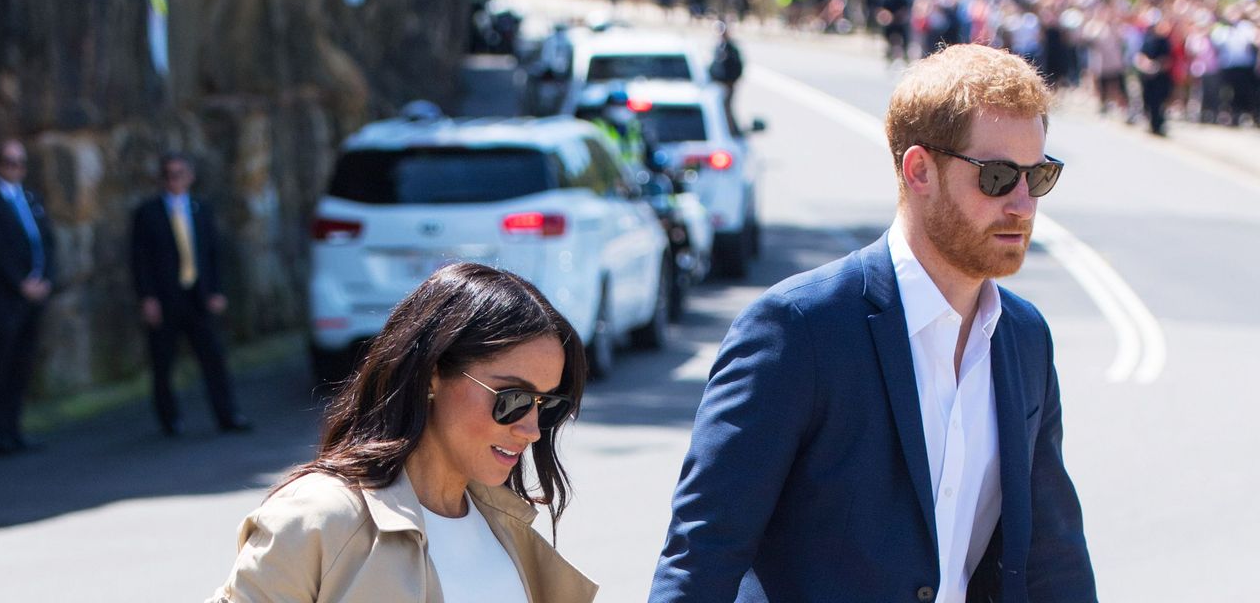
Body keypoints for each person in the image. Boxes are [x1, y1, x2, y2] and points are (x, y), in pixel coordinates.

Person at [649, 44, 1096, 602]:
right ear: (919, 170)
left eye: (1040, 176)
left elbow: (1052, 556)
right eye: (1000, 177)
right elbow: (702, 555)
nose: (1024, 205)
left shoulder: (1024, 338)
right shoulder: (798, 329)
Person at [207, 263, 597, 603]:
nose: (530, 430)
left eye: (546, 405)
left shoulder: (506, 527)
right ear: (432, 374)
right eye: (512, 399)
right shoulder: (319, 518)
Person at [131, 153, 249, 437]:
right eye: (169, 175)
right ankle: (169, 419)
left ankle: (227, 413)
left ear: (190, 176)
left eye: (180, 174)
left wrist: (216, 291)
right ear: (162, 179)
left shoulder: (200, 209)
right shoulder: (148, 213)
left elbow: (213, 254)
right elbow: (139, 258)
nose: (175, 180)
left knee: (214, 358)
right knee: (163, 362)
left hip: (198, 297)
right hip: (165, 297)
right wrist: (147, 297)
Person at [0, 139, 55, 456]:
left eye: (21, 163)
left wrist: (46, 278)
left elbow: (46, 241)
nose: (16, 169)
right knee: (0, 366)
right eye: (10, 162)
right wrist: (19, 283)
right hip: (3, 298)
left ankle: (14, 428)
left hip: (32, 296)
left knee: (22, 365)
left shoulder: (30, 198)